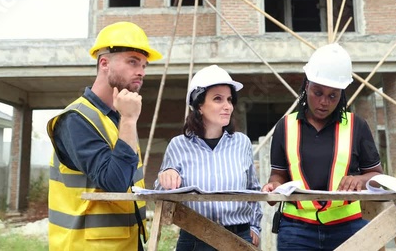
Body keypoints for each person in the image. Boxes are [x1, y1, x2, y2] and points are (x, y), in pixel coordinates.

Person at [46, 21, 163, 251]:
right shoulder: (76, 119)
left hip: (123, 244)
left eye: (144, 65)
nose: (140, 71)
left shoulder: (116, 117)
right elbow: (115, 183)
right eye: (132, 61)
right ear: (104, 63)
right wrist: (129, 121)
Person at [262, 43, 384, 251]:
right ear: (307, 85)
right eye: (317, 92)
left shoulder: (357, 126)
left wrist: (360, 180)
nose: (323, 102)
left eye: (332, 96)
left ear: (342, 95)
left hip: (348, 228)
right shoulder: (285, 126)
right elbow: (278, 175)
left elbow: (377, 178)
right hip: (296, 230)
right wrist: (273, 186)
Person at [155, 65, 263, 250]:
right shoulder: (178, 145)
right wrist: (166, 175)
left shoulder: (242, 143)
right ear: (199, 105)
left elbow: (253, 189)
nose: (227, 106)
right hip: (195, 239)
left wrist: (255, 226)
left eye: (229, 99)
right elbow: (160, 194)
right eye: (218, 99)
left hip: (239, 237)